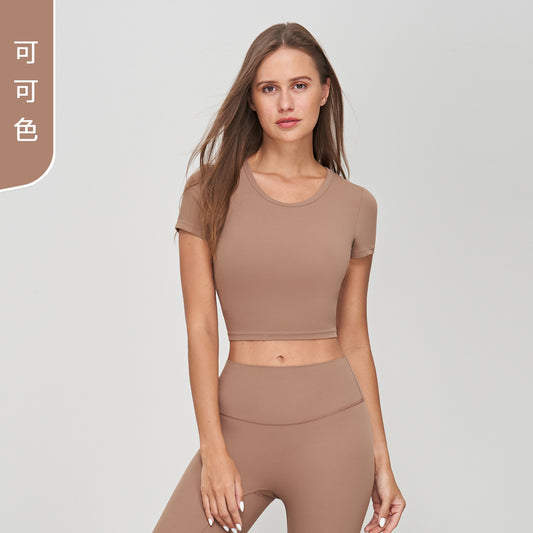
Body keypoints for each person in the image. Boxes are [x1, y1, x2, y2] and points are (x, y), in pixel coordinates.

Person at [152, 22, 406, 533]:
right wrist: (213, 451)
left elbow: (355, 336)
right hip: (237, 428)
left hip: (335, 431)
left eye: (299, 85)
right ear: (251, 99)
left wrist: (382, 458)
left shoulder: (356, 206)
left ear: (324, 91)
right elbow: (201, 327)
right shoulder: (208, 191)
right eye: (269, 88)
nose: (286, 103)